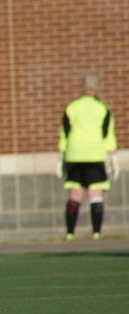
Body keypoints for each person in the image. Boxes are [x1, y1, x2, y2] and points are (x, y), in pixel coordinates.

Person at [58, 70, 119, 240]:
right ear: (98, 86)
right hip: (95, 155)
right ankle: (96, 233)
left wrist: (61, 154)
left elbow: (65, 132)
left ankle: (70, 233)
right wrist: (113, 155)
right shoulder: (103, 108)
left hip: (74, 154)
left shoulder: (72, 107)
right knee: (95, 194)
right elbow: (108, 134)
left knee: (75, 195)